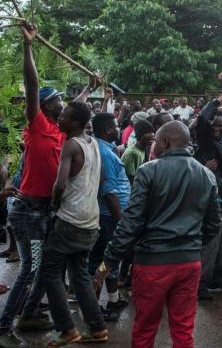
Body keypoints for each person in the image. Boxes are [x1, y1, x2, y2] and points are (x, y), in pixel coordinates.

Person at [0, 23, 99, 348]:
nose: (63, 105)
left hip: (50, 210)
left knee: (47, 267)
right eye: (57, 102)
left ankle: (28, 313)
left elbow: (79, 103)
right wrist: (28, 47)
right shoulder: (38, 125)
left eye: (64, 104)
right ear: (45, 109)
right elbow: (33, 86)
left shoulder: (64, 131)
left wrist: (89, 87)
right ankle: (4, 324)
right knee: (32, 267)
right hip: (29, 209)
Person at [98, 121, 222, 348]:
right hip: (189, 263)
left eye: (156, 140)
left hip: (152, 264)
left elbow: (130, 223)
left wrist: (107, 261)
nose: (153, 144)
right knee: (183, 329)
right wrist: (192, 243)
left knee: (145, 328)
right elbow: (214, 224)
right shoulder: (206, 175)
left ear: (165, 142)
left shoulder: (149, 170)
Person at [42, 102, 107, 346]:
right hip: (90, 220)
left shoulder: (70, 144)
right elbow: (99, 178)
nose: (60, 120)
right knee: (79, 275)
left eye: (65, 117)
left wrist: (55, 205)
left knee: (50, 272)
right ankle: (98, 328)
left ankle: (67, 329)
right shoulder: (94, 143)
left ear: (77, 123)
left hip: (70, 219)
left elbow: (60, 184)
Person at [88, 113, 131, 322]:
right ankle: (93, 310)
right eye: (115, 126)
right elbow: (109, 191)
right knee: (102, 261)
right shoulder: (104, 153)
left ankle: (112, 299)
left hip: (110, 216)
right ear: (107, 128)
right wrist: (120, 220)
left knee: (109, 260)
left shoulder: (105, 148)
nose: (118, 129)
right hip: (109, 217)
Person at [194, 89, 222, 300]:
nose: (219, 128)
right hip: (211, 199)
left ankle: (218, 274)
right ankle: (201, 283)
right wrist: (218, 99)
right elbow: (201, 118)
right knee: (210, 242)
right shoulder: (205, 141)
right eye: (216, 124)